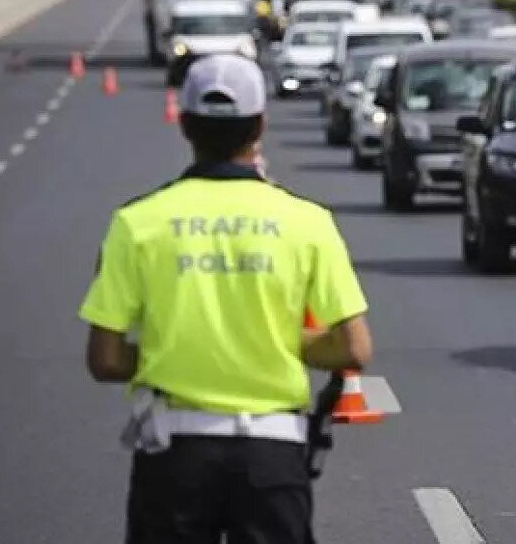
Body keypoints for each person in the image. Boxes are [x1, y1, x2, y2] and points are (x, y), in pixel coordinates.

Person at [79, 53, 373, 544]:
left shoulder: (137, 223)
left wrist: (179, 350)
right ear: (259, 126)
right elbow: (354, 348)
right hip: (272, 455)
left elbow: (104, 359)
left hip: (174, 453)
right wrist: (273, 341)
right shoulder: (308, 222)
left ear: (186, 125)